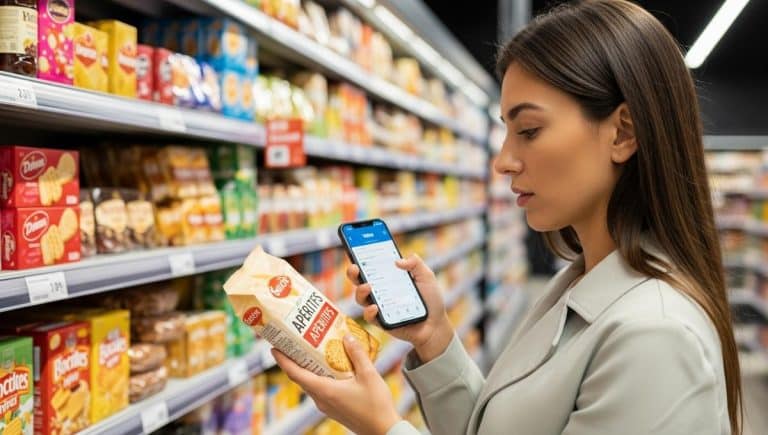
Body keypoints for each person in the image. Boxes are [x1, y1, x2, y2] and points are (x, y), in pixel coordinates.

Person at [272, 1, 742, 434]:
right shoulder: (579, 285)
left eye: (529, 130)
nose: (503, 161)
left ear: (622, 133)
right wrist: (434, 338)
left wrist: (382, 426)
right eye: (507, 132)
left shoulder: (656, 338)